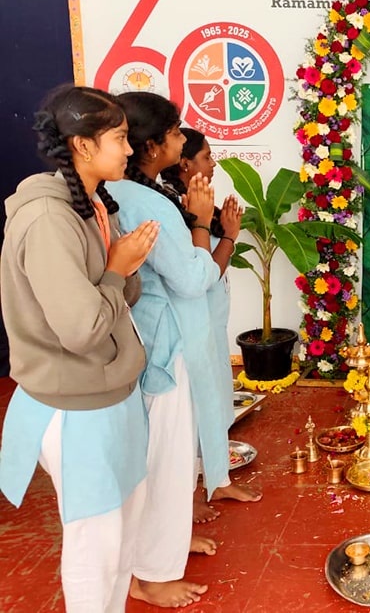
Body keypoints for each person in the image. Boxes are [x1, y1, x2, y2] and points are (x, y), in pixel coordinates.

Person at [0, 85, 159, 611]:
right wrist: (118, 267)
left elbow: (120, 296)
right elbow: (83, 328)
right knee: (97, 548)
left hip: (111, 394)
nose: (130, 149)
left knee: (122, 542)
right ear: (83, 146)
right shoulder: (48, 219)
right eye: (119, 138)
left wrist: (120, 266)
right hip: (76, 408)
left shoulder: (89, 204)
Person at [106, 92, 234, 608]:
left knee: (170, 456)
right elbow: (190, 279)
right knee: (166, 458)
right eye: (177, 133)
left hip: (155, 338)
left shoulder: (133, 193)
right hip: (167, 349)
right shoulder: (148, 202)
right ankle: (153, 575)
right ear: (151, 144)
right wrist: (203, 223)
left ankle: (167, 543)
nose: (184, 142)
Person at [161, 128, 260, 523]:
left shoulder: (195, 204)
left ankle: (217, 479)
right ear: (184, 164)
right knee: (192, 410)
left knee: (218, 398)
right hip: (190, 325)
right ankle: (191, 493)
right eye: (205, 156)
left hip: (211, 324)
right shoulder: (177, 206)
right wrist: (230, 235)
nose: (213, 163)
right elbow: (202, 275)